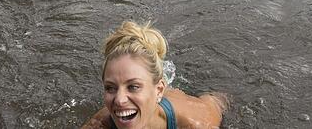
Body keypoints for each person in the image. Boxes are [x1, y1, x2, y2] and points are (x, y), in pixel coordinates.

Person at [81, 21, 227, 129]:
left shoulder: (196, 123)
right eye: (110, 88)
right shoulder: (100, 124)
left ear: (159, 90)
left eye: (133, 87)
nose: (119, 100)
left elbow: (219, 102)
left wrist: (217, 101)